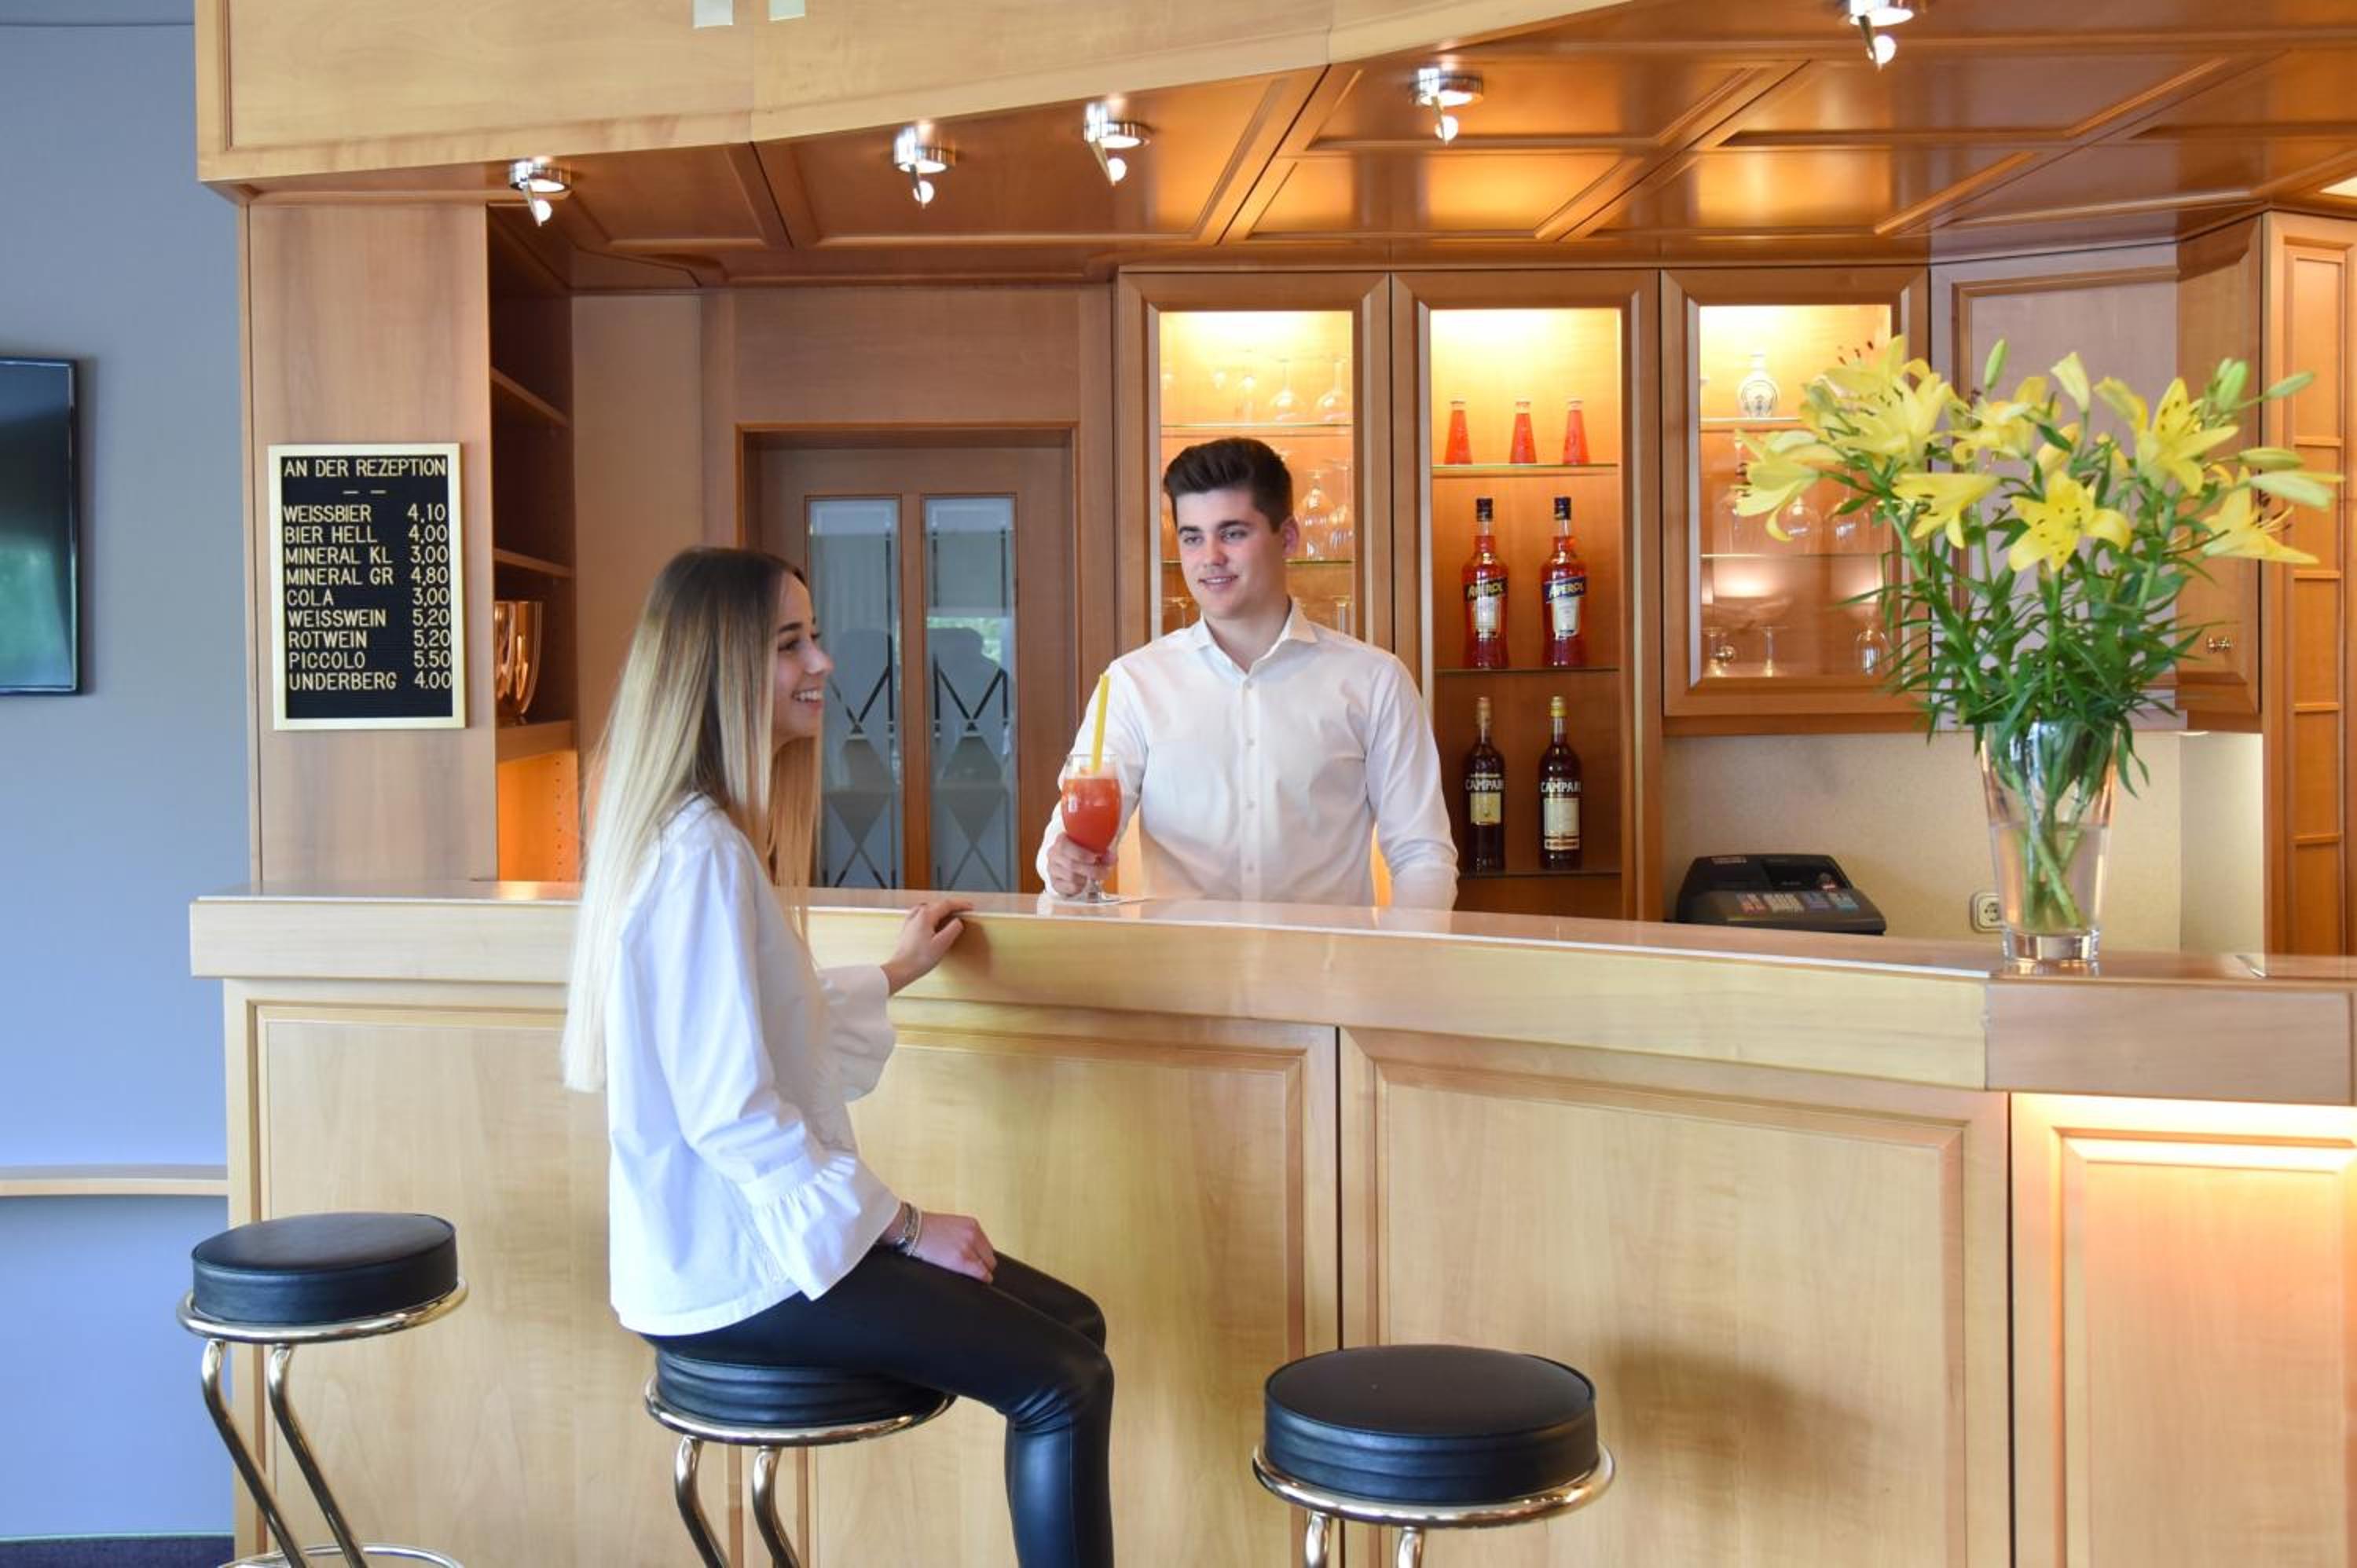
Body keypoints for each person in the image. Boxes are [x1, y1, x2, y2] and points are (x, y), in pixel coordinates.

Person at [562, 546, 1115, 1567]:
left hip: (746, 1252)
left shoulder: (699, 836)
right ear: (719, 668)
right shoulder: (700, 853)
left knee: (1074, 1326)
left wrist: (896, 971)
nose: (822, 662)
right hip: (738, 1276)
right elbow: (730, 1112)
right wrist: (905, 1227)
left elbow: (756, 1026)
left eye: (813, 637)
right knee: (1066, 1382)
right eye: (790, 644)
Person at [1037, 437, 1457, 908]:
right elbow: (1067, 846)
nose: (1210, 557)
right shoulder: (1133, 683)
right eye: (1192, 537)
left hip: (1327, 955)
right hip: (1181, 957)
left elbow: (1422, 855)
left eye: (1233, 533)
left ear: (1288, 537)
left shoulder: (1375, 680)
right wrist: (1063, 868)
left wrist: (1406, 949)